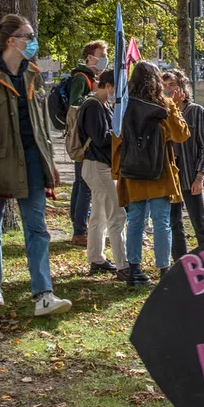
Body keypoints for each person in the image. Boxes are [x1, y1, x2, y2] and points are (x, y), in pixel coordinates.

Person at [0, 15, 71, 316]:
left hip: (32, 161)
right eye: (28, 36)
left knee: (37, 229)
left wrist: (50, 161)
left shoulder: (34, 74)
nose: (33, 41)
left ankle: (44, 294)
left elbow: (41, 125)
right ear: (12, 41)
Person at [112, 61, 190, 286]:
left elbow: (117, 141)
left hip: (133, 172)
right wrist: (176, 108)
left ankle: (134, 270)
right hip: (160, 172)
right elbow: (181, 135)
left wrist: (118, 172)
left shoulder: (124, 106)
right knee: (161, 221)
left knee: (135, 221)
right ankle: (164, 269)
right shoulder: (165, 104)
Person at [162, 69, 204, 260]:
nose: (168, 89)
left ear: (182, 87)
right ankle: (180, 264)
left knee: (199, 223)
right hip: (170, 178)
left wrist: (200, 177)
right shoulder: (162, 113)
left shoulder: (197, 112)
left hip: (191, 176)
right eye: (164, 86)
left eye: (172, 85)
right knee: (174, 224)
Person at [78, 69, 125, 277]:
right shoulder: (94, 105)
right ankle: (124, 265)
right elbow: (100, 137)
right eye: (117, 87)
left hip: (98, 165)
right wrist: (120, 134)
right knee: (117, 214)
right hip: (97, 165)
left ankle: (96, 258)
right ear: (108, 86)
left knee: (100, 215)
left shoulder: (102, 105)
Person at [66, 41, 107, 246]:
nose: (105, 59)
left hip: (84, 138)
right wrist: (95, 94)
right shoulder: (82, 78)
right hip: (84, 140)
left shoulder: (90, 78)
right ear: (90, 57)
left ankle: (77, 223)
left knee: (80, 183)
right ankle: (80, 231)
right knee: (85, 185)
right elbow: (75, 106)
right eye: (102, 55)